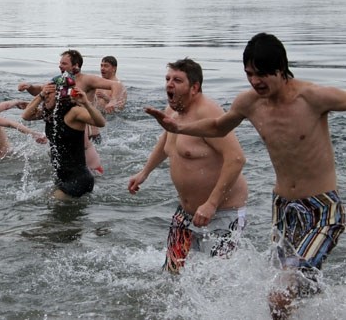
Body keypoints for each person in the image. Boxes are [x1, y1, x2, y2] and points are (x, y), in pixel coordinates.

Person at [146, 34, 346, 319]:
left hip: (322, 210)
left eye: (261, 74)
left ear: (281, 68)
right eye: (249, 74)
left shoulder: (313, 97)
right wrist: (176, 129)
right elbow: (217, 126)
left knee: (280, 294)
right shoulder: (250, 102)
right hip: (284, 208)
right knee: (291, 284)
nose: (255, 81)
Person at [128, 58, 248, 273]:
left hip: (221, 213)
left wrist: (211, 204)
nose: (169, 84)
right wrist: (144, 172)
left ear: (194, 87)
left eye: (177, 80)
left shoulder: (208, 113)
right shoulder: (172, 111)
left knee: (218, 282)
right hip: (185, 213)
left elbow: (237, 158)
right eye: (167, 79)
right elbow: (166, 140)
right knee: (172, 274)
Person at [19, 49, 124, 174]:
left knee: (87, 162)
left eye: (64, 64)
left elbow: (116, 85)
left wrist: (113, 100)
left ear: (76, 66)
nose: (60, 66)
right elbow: (41, 90)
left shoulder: (87, 80)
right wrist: (29, 87)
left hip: (88, 129)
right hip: (69, 127)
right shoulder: (59, 81)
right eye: (60, 63)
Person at [22, 79, 106, 199]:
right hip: (62, 177)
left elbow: (101, 122)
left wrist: (86, 103)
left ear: (60, 96)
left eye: (48, 94)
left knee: (51, 209)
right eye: (44, 94)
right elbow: (26, 116)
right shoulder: (49, 114)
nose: (45, 97)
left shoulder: (74, 112)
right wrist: (40, 95)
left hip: (79, 179)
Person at [88, 55, 128, 144]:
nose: (102, 68)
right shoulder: (98, 83)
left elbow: (120, 108)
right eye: (101, 65)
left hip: (110, 120)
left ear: (114, 68)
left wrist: (107, 98)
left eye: (106, 66)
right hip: (97, 115)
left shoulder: (119, 86)